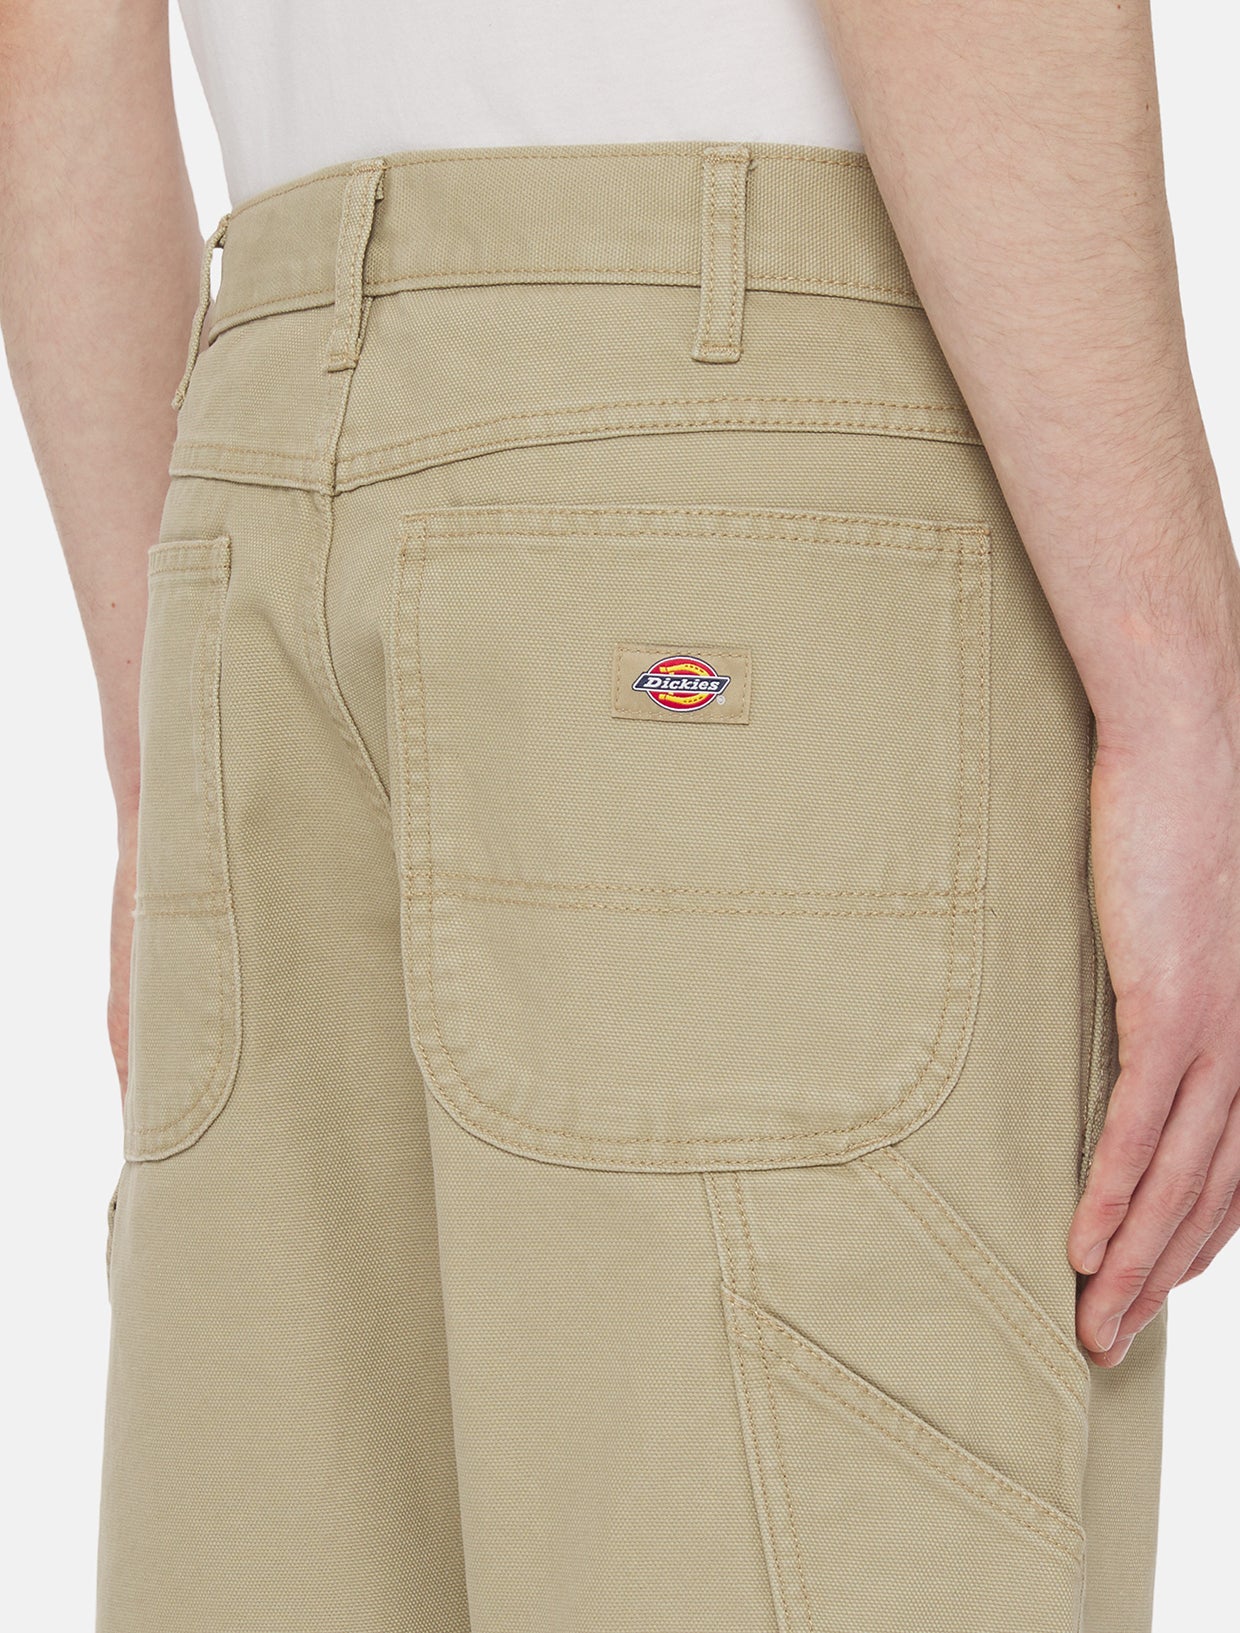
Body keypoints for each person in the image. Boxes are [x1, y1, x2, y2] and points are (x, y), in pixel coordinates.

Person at [2, 1, 1236, 1629]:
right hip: (737, 453)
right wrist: (1184, 693)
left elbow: (47, 42)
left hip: (258, 458)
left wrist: (156, 728)